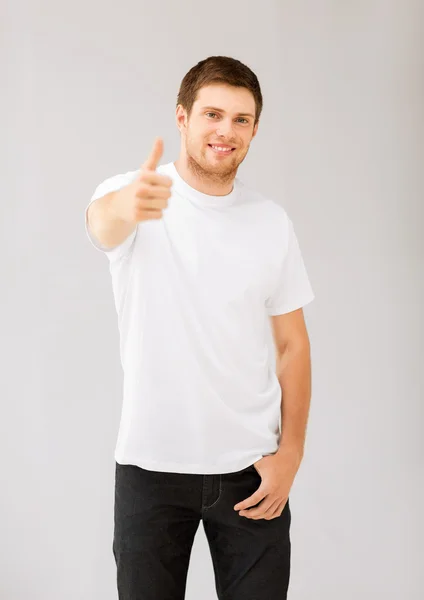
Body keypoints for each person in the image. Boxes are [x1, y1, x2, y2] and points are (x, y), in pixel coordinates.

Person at [85, 55, 315, 600]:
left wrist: (292, 455)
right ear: (183, 118)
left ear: (254, 130)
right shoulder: (137, 194)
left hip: (250, 473)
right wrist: (126, 204)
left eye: (241, 119)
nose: (225, 131)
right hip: (150, 468)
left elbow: (292, 345)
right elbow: (102, 222)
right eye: (213, 114)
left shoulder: (270, 222)